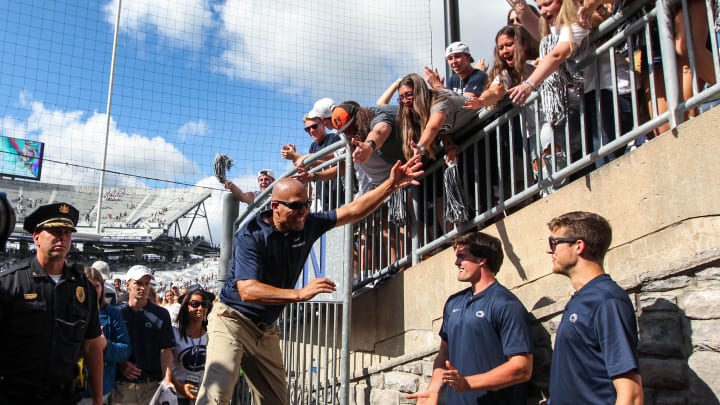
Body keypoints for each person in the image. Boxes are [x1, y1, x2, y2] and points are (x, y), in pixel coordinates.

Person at [195, 155, 423, 405]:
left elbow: (353, 210)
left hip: (266, 330)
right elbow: (248, 290)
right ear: (275, 206)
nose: (303, 212)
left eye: (307, 204)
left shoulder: (307, 223)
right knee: (215, 397)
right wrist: (299, 294)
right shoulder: (252, 235)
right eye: (296, 206)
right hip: (232, 321)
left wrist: (390, 185)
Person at [406, 232, 533, 404]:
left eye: (461, 256)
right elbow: (444, 354)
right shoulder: (453, 303)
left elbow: (522, 368)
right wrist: (433, 389)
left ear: (481, 260)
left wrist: (468, 383)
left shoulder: (506, 304)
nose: (456, 262)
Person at [0, 202, 104, 405]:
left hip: (63, 397)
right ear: (36, 237)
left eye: (67, 232)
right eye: (55, 230)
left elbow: (92, 347)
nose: (62, 237)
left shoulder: (84, 289)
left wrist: (98, 400)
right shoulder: (10, 284)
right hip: (13, 397)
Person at [545, 211, 643, 404]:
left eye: (554, 243)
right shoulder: (582, 299)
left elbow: (631, 392)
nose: (550, 251)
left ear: (579, 246)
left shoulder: (606, 300)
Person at [508, 0, 591, 196]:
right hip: (556, 106)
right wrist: (519, 7)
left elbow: (557, 55)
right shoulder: (553, 31)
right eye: (541, 6)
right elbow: (538, 30)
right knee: (544, 154)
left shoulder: (575, 23)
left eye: (548, 4)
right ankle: (551, 194)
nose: (544, 11)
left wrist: (529, 84)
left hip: (574, 100)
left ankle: (558, 193)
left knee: (553, 142)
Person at [114, 265, 176, 405]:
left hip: (151, 385)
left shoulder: (161, 314)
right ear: (128, 285)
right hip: (122, 385)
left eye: (147, 283)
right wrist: (121, 364)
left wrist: (167, 379)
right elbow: (108, 346)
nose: (143, 287)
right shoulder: (117, 313)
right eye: (138, 283)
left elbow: (166, 349)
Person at [396, 73, 479, 165]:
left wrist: (420, 147)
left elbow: (433, 127)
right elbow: (441, 129)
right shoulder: (419, 112)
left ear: (420, 91)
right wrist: (450, 145)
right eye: (401, 97)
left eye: (409, 94)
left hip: (484, 123)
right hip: (469, 135)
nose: (405, 101)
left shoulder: (439, 101)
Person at [79, 267, 132, 405]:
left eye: (96, 286)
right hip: (70, 390)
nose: (92, 290)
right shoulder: (68, 312)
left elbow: (125, 350)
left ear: (102, 288)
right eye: (87, 285)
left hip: (102, 390)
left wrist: (105, 345)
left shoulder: (112, 313)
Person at [172, 285, 214, 404]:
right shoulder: (174, 333)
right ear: (186, 307)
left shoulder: (212, 335)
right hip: (177, 395)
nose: (200, 308)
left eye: (204, 304)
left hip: (203, 395)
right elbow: (166, 366)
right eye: (195, 304)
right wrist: (179, 387)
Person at [424, 41, 488, 97]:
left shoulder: (479, 76)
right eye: (450, 58)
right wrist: (438, 91)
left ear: (468, 57)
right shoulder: (453, 79)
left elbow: (466, 104)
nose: (454, 61)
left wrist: (439, 87)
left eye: (457, 56)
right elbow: (448, 104)